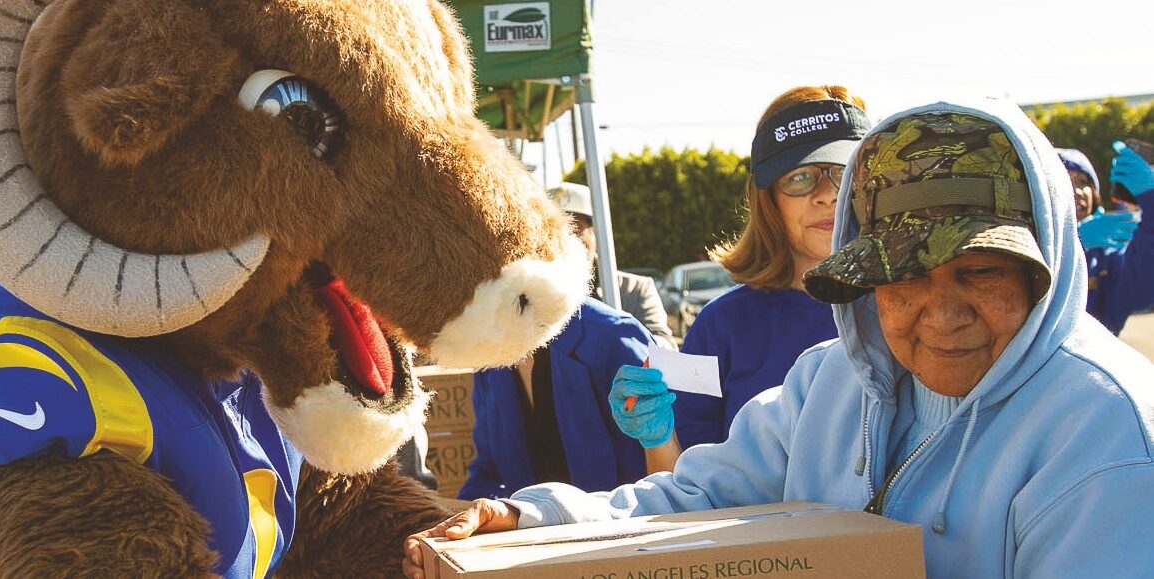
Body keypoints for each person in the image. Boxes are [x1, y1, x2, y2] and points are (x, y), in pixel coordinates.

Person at [406, 100, 1154, 579]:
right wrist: (531, 518)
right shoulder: (825, 381)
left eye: (979, 271)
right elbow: (697, 496)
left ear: (1044, 266)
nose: (939, 312)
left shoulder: (1102, 435)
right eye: (901, 278)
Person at [614, 86, 872, 472]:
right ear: (768, 201)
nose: (826, 195)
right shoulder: (722, 326)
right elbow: (683, 486)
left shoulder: (908, 303)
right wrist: (658, 436)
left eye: (842, 173)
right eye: (800, 178)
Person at [456, 192, 657, 499]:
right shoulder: (490, 356)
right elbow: (489, 470)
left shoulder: (613, 338)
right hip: (534, 538)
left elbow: (665, 463)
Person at [547, 183, 677, 348]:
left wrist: (626, 341)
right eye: (557, 230)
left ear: (595, 233)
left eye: (575, 228)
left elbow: (665, 348)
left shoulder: (635, 290)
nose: (567, 238)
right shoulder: (533, 296)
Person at [1061, 146, 1154, 334]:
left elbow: (1143, 292)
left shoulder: (1109, 253)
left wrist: (1151, 200)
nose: (1076, 191)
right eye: (1064, 180)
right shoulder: (1026, 241)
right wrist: (1072, 242)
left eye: (1082, 181)